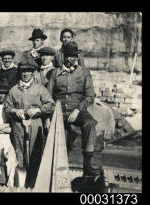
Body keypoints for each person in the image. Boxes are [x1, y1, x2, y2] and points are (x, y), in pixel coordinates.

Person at [47, 41, 100, 177]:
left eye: (74, 56)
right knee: (56, 136)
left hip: (78, 110)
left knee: (89, 123)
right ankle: (51, 170)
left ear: (77, 57)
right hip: (58, 112)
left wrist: (77, 110)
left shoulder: (84, 73)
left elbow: (90, 96)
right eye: (68, 56)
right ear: (63, 57)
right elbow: (48, 96)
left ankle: (87, 164)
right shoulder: (55, 73)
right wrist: (50, 116)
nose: (71, 59)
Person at [4, 63, 55, 188]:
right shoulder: (14, 89)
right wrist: (15, 111)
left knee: (35, 154)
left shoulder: (40, 89)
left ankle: (34, 184)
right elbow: (7, 106)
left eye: (28, 71)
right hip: (18, 125)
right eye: (23, 71)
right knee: (19, 153)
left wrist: (38, 110)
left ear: (33, 73)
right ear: (20, 73)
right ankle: (20, 185)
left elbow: (51, 104)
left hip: (35, 124)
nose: (25, 74)